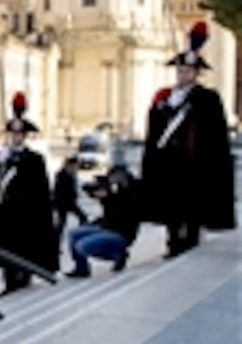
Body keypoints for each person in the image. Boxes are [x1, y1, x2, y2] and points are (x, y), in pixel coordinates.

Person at [140, 22, 236, 258]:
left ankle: (190, 238)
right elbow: (155, 131)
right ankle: (173, 241)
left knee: (191, 205)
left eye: (188, 71)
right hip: (168, 163)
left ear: (195, 73)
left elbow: (214, 132)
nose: (183, 74)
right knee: (170, 205)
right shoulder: (165, 98)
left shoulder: (207, 98)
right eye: (180, 70)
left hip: (193, 164)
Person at [0, 93, 58, 296]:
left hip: (24, 216)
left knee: (23, 250)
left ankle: (23, 278)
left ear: (24, 136)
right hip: (4, 216)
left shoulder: (34, 159)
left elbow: (38, 191)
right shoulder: (2, 156)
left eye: (18, 134)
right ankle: (9, 283)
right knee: (5, 251)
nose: (14, 137)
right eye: (11, 133)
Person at [66, 166, 141, 278]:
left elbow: (122, 215)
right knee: (73, 234)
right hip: (108, 226)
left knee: (82, 246)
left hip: (122, 232)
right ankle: (81, 268)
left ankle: (118, 255)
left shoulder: (134, 193)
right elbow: (109, 211)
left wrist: (107, 198)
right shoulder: (117, 190)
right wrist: (102, 196)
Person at [53, 156, 88, 252]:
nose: (76, 168)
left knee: (82, 218)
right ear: (69, 166)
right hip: (63, 203)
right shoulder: (62, 176)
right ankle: (55, 246)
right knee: (60, 226)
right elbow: (59, 192)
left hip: (69, 202)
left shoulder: (71, 175)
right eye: (74, 166)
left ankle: (80, 238)